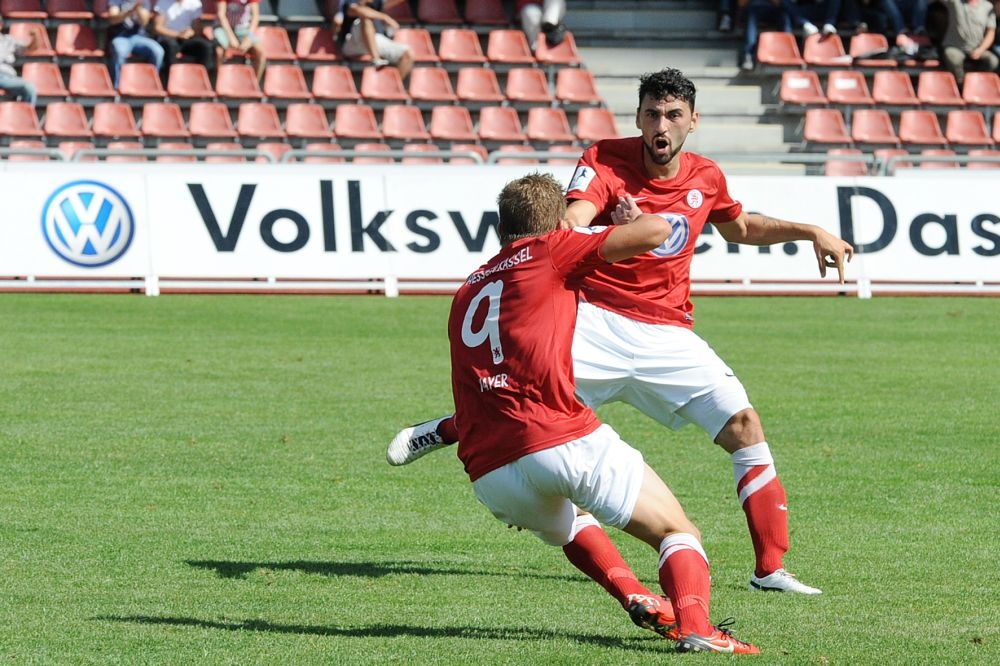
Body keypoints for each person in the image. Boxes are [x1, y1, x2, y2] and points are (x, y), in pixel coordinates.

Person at [388, 68, 856, 597]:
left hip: (668, 334)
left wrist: (810, 231)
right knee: (526, 408)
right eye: (652, 114)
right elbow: (572, 218)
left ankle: (769, 570)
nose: (662, 125)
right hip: (595, 320)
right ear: (637, 118)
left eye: (673, 115)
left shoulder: (706, 177)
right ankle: (451, 428)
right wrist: (611, 226)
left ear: (693, 121)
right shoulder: (604, 159)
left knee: (745, 425)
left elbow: (741, 227)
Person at [446, 171, 759, 654]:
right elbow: (656, 231)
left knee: (572, 518)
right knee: (677, 531)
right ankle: (698, 628)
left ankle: (633, 593)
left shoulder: (468, 289)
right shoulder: (552, 249)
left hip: (490, 472)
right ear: (558, 225)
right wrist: (612, 224)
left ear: (499, 228)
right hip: (556, 438)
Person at [336, 0, 414, 80]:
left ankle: (394, 85)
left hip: (374, 38)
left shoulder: (376, 2)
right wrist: (384, 17)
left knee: (407, 54)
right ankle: (376, 59)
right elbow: (355, 10)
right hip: (351, 43)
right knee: (366, 18)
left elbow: (388, 3)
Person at [152, 0, 216, 85]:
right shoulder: (163, 2)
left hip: (187, 39)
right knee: (171, 46)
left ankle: (201, 83)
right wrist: (178, 34)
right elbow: (157, 28)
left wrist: (191, 31)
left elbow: (196, 27)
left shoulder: (194, 3)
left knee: (205, 47)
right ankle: (172, 83)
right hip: (168, 38)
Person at [106, 0, 166, 88]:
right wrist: (129, 11)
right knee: (119, 51)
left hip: (139, 37)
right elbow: (113, 19)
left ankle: (150, 86)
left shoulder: (143, 1)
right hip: (120, 36)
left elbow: (144, 21)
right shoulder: (116, 1)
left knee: (158, 51)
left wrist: (138, 9)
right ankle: (117, 87)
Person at [939, 0, 999, 86]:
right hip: (955, 47)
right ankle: (962, 86)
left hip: (977, 48)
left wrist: (981, 49)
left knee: (993, 61)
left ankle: (980, 86)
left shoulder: (987, 6)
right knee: (953, 58)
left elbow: (990, 33)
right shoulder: (955, 2)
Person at [214, 0, 267, 81]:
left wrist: (248, 39)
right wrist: (231, 37)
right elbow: (221, 15)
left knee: (261, 53)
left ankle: (254, 83)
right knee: (219, 51)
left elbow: (255, 17)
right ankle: (220, 82)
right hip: (223, 28)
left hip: (242, 29)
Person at [0, 17, 40, 106]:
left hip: (8, 78)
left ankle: (26, 114)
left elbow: (29, 49)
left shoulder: (8, 40)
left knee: (29, 88)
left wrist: (35, 38)